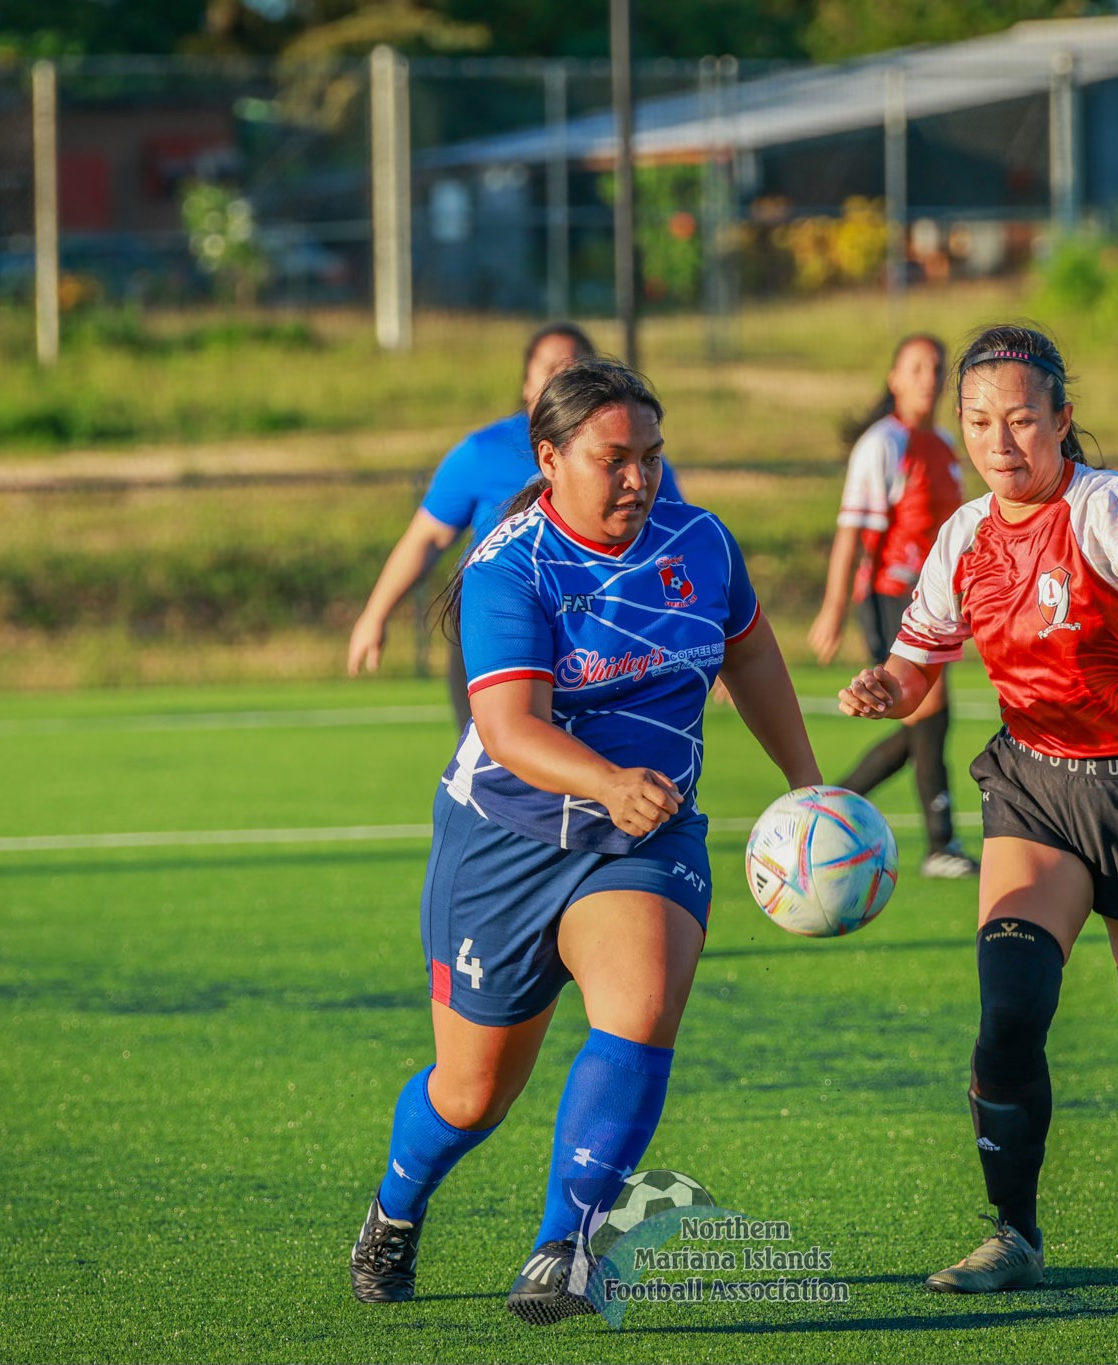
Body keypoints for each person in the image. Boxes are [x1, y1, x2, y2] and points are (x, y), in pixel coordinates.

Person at [348, 359, 822, 1324]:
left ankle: (565, 1245)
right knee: (473, 1094)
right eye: (615, 459)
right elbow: (513, 728)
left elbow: (752, 651)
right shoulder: (509, 565)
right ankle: (395, 1210)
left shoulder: (701, 543)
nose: (639, 479)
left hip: (646, 835)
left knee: (643, 1003)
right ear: (551, 457)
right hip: (503, 843)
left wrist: (805, 781)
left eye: (652, 456)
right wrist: (607, 780)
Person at [836, 324, 1118, 1293]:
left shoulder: (1100, 506)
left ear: (1062, 422)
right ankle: (1012, 1234)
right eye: (978, 422)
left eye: (1021, 420)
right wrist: (886, 688)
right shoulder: (962, 537)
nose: (999, 441)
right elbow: (918, 661)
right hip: (1037, 795)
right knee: (1008, 1016)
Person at [345, 323, 685, 730]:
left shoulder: (635, 463)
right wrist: (375, 614)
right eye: (551, 369)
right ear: (527, 385)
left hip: (604, 632)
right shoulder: (481, 453)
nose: (563, 378)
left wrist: (720, 643)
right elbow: (427, 537)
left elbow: (681, 550)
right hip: (499, 627)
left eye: (576, 368)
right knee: (506, 762)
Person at [808, 333, 977, 880]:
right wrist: (834, 608)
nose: (929, 376)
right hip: (891, 598)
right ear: (895, 379)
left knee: (918, 728)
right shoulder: (883, 443)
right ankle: (941, 845)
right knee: (930, 714)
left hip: (938, 602)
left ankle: (832, 806)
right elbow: (852, 531)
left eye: (936, 367)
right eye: (917, 367)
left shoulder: (947, 443)